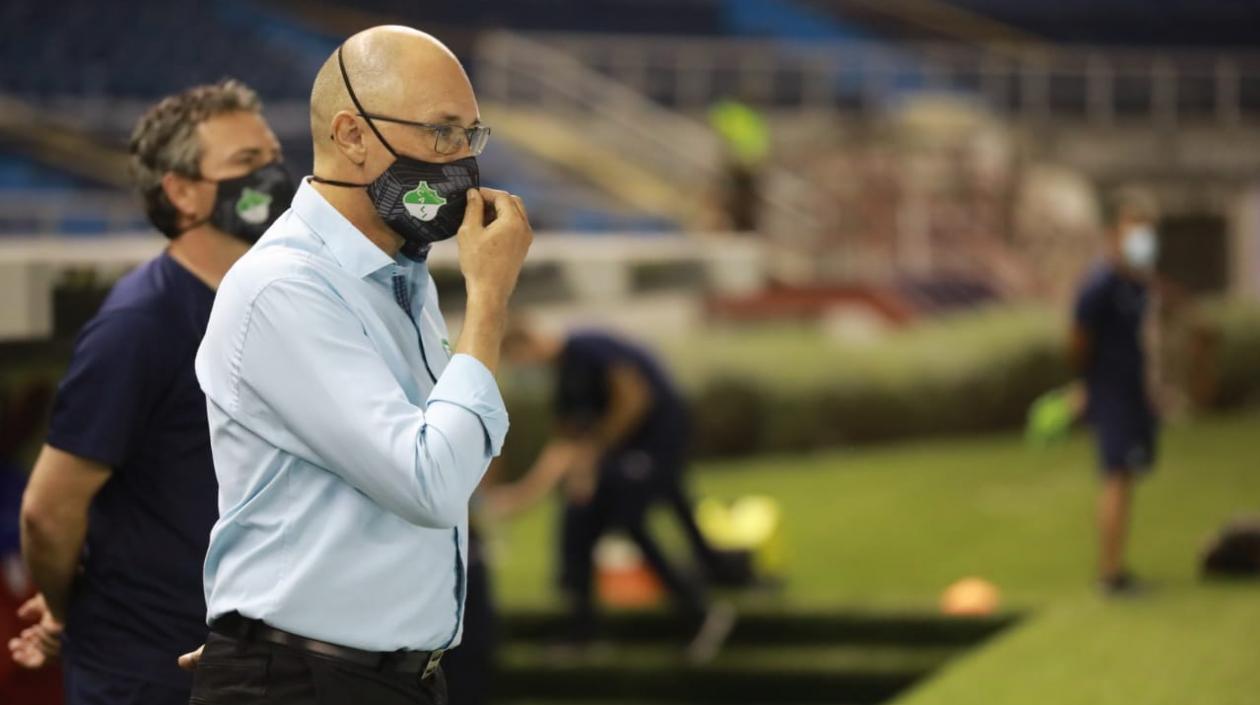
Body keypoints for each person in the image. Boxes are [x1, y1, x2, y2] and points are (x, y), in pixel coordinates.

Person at [185, 25, 532, 705]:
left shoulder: (402, 274)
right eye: (440, 131)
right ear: (351, 134)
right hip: (307, 680)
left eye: (470, 134)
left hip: (383, 676)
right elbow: (431, 482)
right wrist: (489, 298)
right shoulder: (286, 287)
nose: (460, 157)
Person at [9, 80, 295, 704]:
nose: (274, 176)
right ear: (182, 192)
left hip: (246, 659)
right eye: (247, 163)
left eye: (272, 156)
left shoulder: (264, 304)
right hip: (150, 669)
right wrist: (62, 611)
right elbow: (47, 509)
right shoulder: (140, 325)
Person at [487, 325, 735, 662]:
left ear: (527, 345)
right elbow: (565, 447)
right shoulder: (564, 381)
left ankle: (698, 611)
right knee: (579, 518)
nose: (522, 371)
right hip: (624, 455)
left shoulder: (585, 348)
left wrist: (595, 453)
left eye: (517, 361)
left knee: (627, 517)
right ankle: (584, 629)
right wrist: (523, 495)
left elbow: (634, 396)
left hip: (656, 442)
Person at [1069, 186, 1162, 597]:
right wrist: (1084, 385)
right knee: (1116, 476)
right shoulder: (1100, 284)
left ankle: (1116, 567)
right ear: (1114, 234)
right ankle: (1110, 575)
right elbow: (1077, 340)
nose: (1143, 238)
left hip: (1132, 390)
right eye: (1135, 229)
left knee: (1128, 475)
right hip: (1109, 392)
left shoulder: (1137, 283)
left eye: (1148, 230)